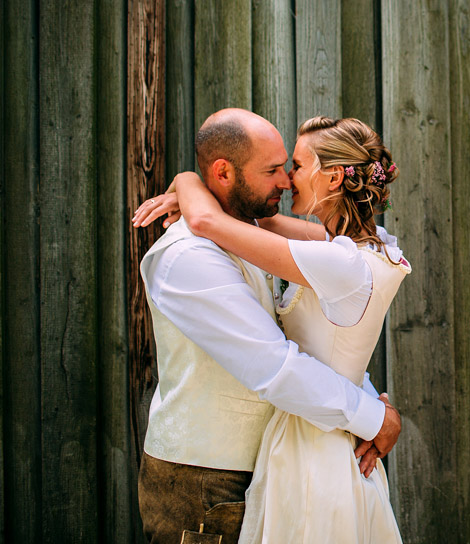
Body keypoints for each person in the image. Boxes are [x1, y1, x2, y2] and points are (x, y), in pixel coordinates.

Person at [132, 109, 401, 544]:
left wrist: (187, 182)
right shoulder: (191, 256)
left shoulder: (307, 246)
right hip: (208, 480)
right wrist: (373, 416)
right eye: (275, 169)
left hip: (278, 460)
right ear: (223, 172)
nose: (284, 180)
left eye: (291, 166)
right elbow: (275, 365)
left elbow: (323, 341)